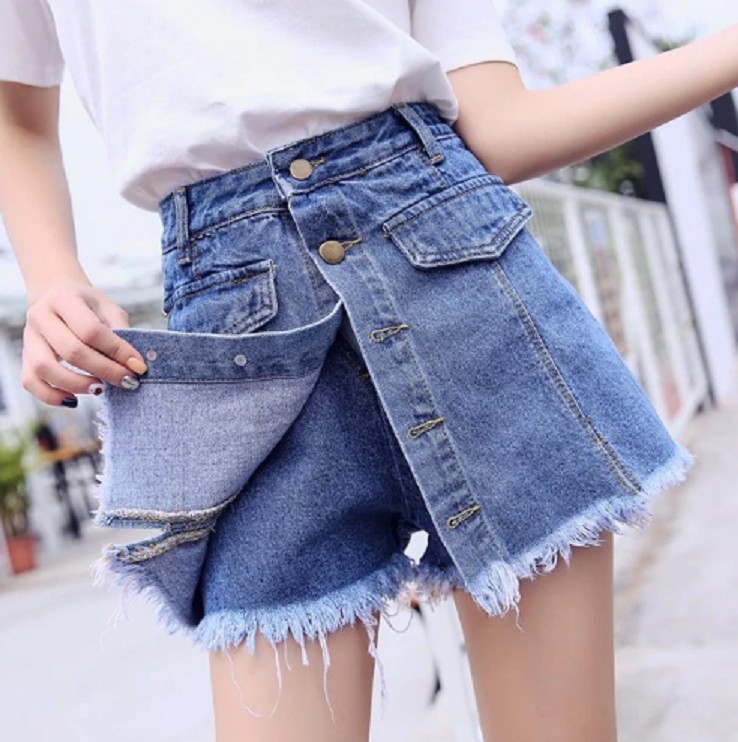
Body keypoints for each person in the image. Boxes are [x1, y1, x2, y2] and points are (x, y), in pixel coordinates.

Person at [0, 2, 731, 740]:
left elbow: (501, 128)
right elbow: (17, 111)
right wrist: (52, 274)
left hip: (454, 263)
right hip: (243, 331)